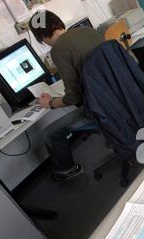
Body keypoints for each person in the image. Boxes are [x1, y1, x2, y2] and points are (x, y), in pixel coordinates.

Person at [28, 10, 104, 181]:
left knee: (50, 133)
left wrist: (50, 103)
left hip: (101, 108)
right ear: (59, 23)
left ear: (41, 37)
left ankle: (67, 170)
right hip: (122, 96)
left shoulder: (58, 50)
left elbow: (73, 98)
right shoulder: (88, 31)